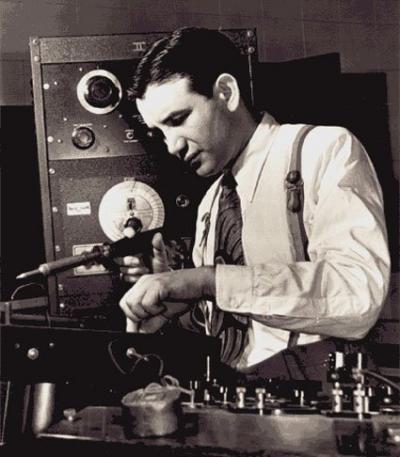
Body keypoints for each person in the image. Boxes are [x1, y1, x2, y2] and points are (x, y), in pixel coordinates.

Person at [118, 27, 390, 380]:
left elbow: (357, 294)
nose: (172, 146)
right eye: (161, 132)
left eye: (178, 120)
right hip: (237, 398)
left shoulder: (322, 149)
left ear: (226, 92)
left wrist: (207, 282)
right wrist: (178, 306)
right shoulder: (211, 203)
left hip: (316, 397)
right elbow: (233, 323)